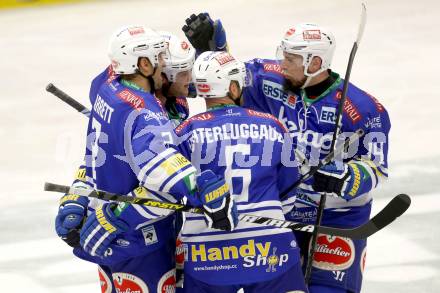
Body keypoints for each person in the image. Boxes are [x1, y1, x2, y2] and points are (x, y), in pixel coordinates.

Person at [182, 15, 391, 293]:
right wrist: (212, 48)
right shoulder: (268, 77)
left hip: (334, 217)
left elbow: (376, 167)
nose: (282, 63)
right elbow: (221, 82)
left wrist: (347, 178)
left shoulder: (363, 109)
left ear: (315, 63)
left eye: (291, 58)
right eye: (283, 54)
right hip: (280, 214)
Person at [54, 25, 237, 293]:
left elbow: (101, 153)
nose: (192, 78)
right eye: (183, 71)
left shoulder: (108, 86)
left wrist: (80, 192)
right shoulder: (146, 112)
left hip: (115, 225)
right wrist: (201, 190)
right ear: (152, 69)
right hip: (139, 234)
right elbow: (163, 179)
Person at [174, 50, 308, 293]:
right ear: (233, 89)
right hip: (271, 250)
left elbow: (170, 185)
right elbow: (289, 196)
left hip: (208, 255)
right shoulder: (273, 125)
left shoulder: (185, 132)